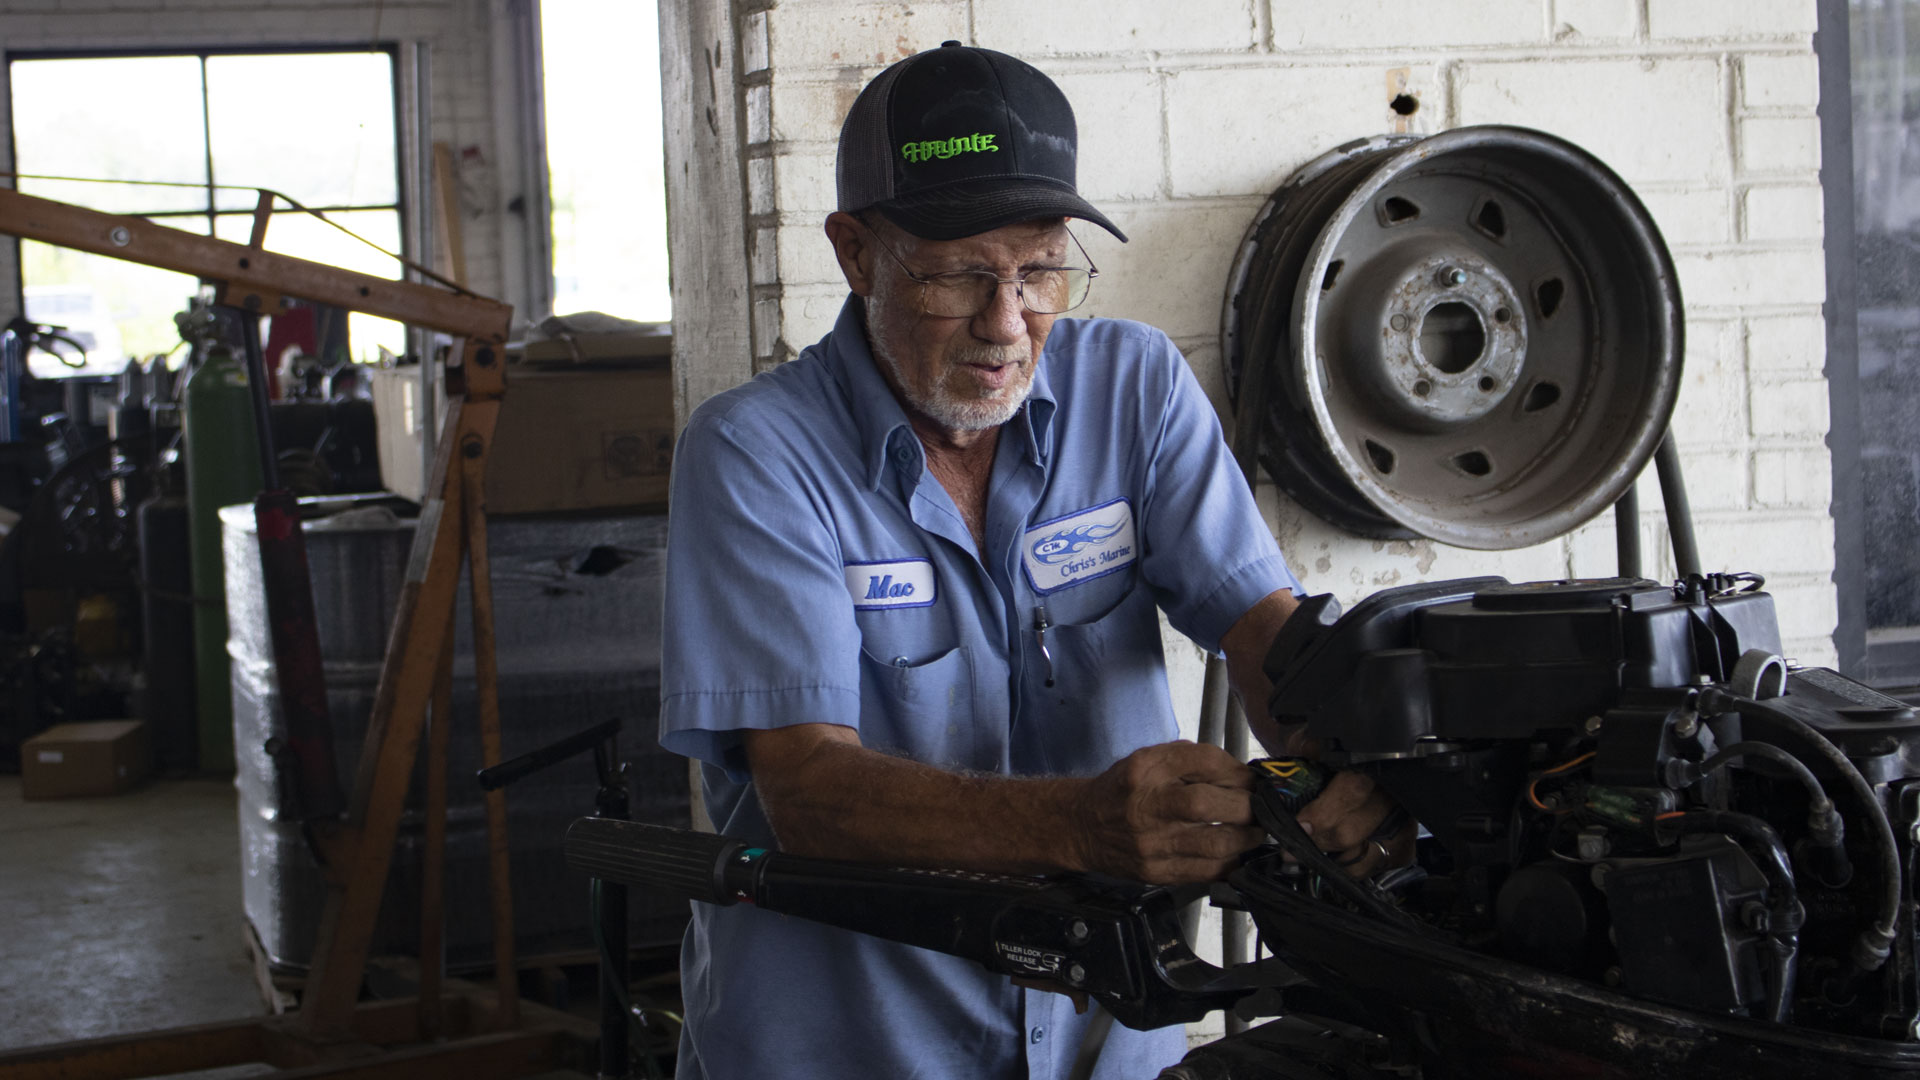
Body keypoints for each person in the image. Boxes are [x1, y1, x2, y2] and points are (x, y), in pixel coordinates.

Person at [659, 41, 1402, 1080]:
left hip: (1108, 1042)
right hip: (850, 1049)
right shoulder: (754, 453)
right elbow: (809, 792)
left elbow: (1262, 629)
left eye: (1042, 267)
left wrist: (1336, 773)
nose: (1008, 323)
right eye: (958, 274)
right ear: (856, 253)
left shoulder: (1134, 387)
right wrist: (1085, 826)